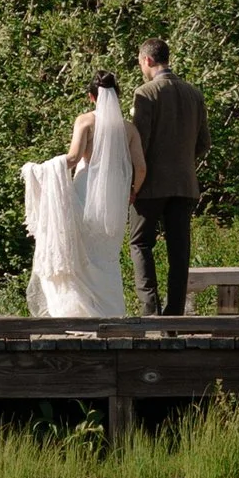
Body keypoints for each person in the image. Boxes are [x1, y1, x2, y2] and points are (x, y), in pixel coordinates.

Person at [22, 74, 143, 319]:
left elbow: (74, 158)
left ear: (91, 96)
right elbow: (140, 168)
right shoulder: (128, 128)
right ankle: (110, 313)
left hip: (86, 192)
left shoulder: (85, 121)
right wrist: (132, 192)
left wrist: (39, 170)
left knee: (81, 254)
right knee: (106, 257)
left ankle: (79, 312)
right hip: (114, 199)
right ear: (117, 95)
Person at [129, 36, 208, 319]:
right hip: (185, 183)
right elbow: (203, 143)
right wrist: (182, 162)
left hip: (150, 184)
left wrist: (134, 182)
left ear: (147, 60)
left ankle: (150, 311)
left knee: (140, 242)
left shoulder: (146, 93)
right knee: (179, 250)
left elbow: (141, 143)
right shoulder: (194, 93)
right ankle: (174, 316)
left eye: (140, 62)